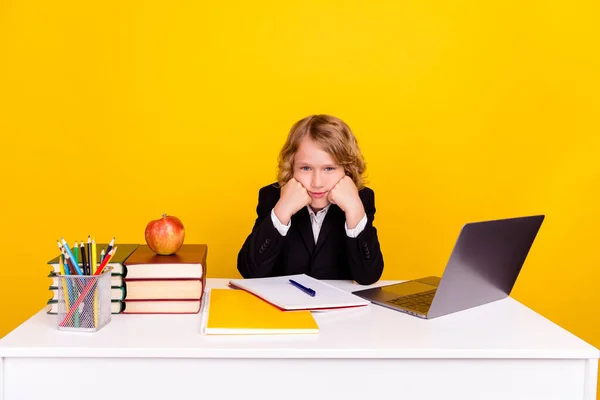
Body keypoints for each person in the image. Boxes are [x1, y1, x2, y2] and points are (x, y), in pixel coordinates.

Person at [237, 114, 384, 285]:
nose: (317, 183)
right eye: (305, 168)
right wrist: (282, 211)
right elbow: (249, 273)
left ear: (347, 169)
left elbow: (368, 276)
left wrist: (355, 211)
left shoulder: (361, 199)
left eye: (329, 169)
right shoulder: (272, 197)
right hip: (284, 307)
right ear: (291, 167)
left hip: (336, 308)